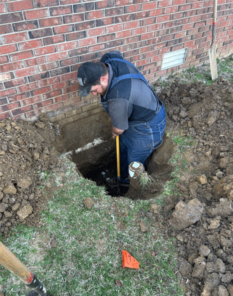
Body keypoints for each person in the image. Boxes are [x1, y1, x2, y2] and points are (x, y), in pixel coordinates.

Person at [77, 51, 166, 186]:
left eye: (94, 90)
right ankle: (122, 178)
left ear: (103, 79)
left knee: (134, 162)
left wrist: (115, 132)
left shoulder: (118, 97)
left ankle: (132, 187)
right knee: (123, 149)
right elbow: (113, 53)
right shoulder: (110, 61)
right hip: (135, 116)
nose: (94, 94)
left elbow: (118, 129)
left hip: (148, 126)